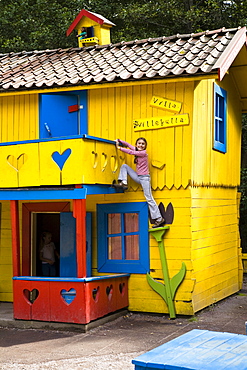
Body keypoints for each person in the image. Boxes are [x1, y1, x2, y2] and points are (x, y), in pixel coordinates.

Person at [115, 137, 165, 228]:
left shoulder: (143, 153)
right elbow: (129, 146)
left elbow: (131, 152)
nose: (141, 145)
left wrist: (119, 148)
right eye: (139, 143)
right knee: (124, 166)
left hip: (145, 178)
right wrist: (119, 141)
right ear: (136, 144)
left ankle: (159, 218)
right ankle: (124, 183)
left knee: (149, 198)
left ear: (145, 146)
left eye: (143, 144)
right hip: (139, 177)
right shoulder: (137, 150)